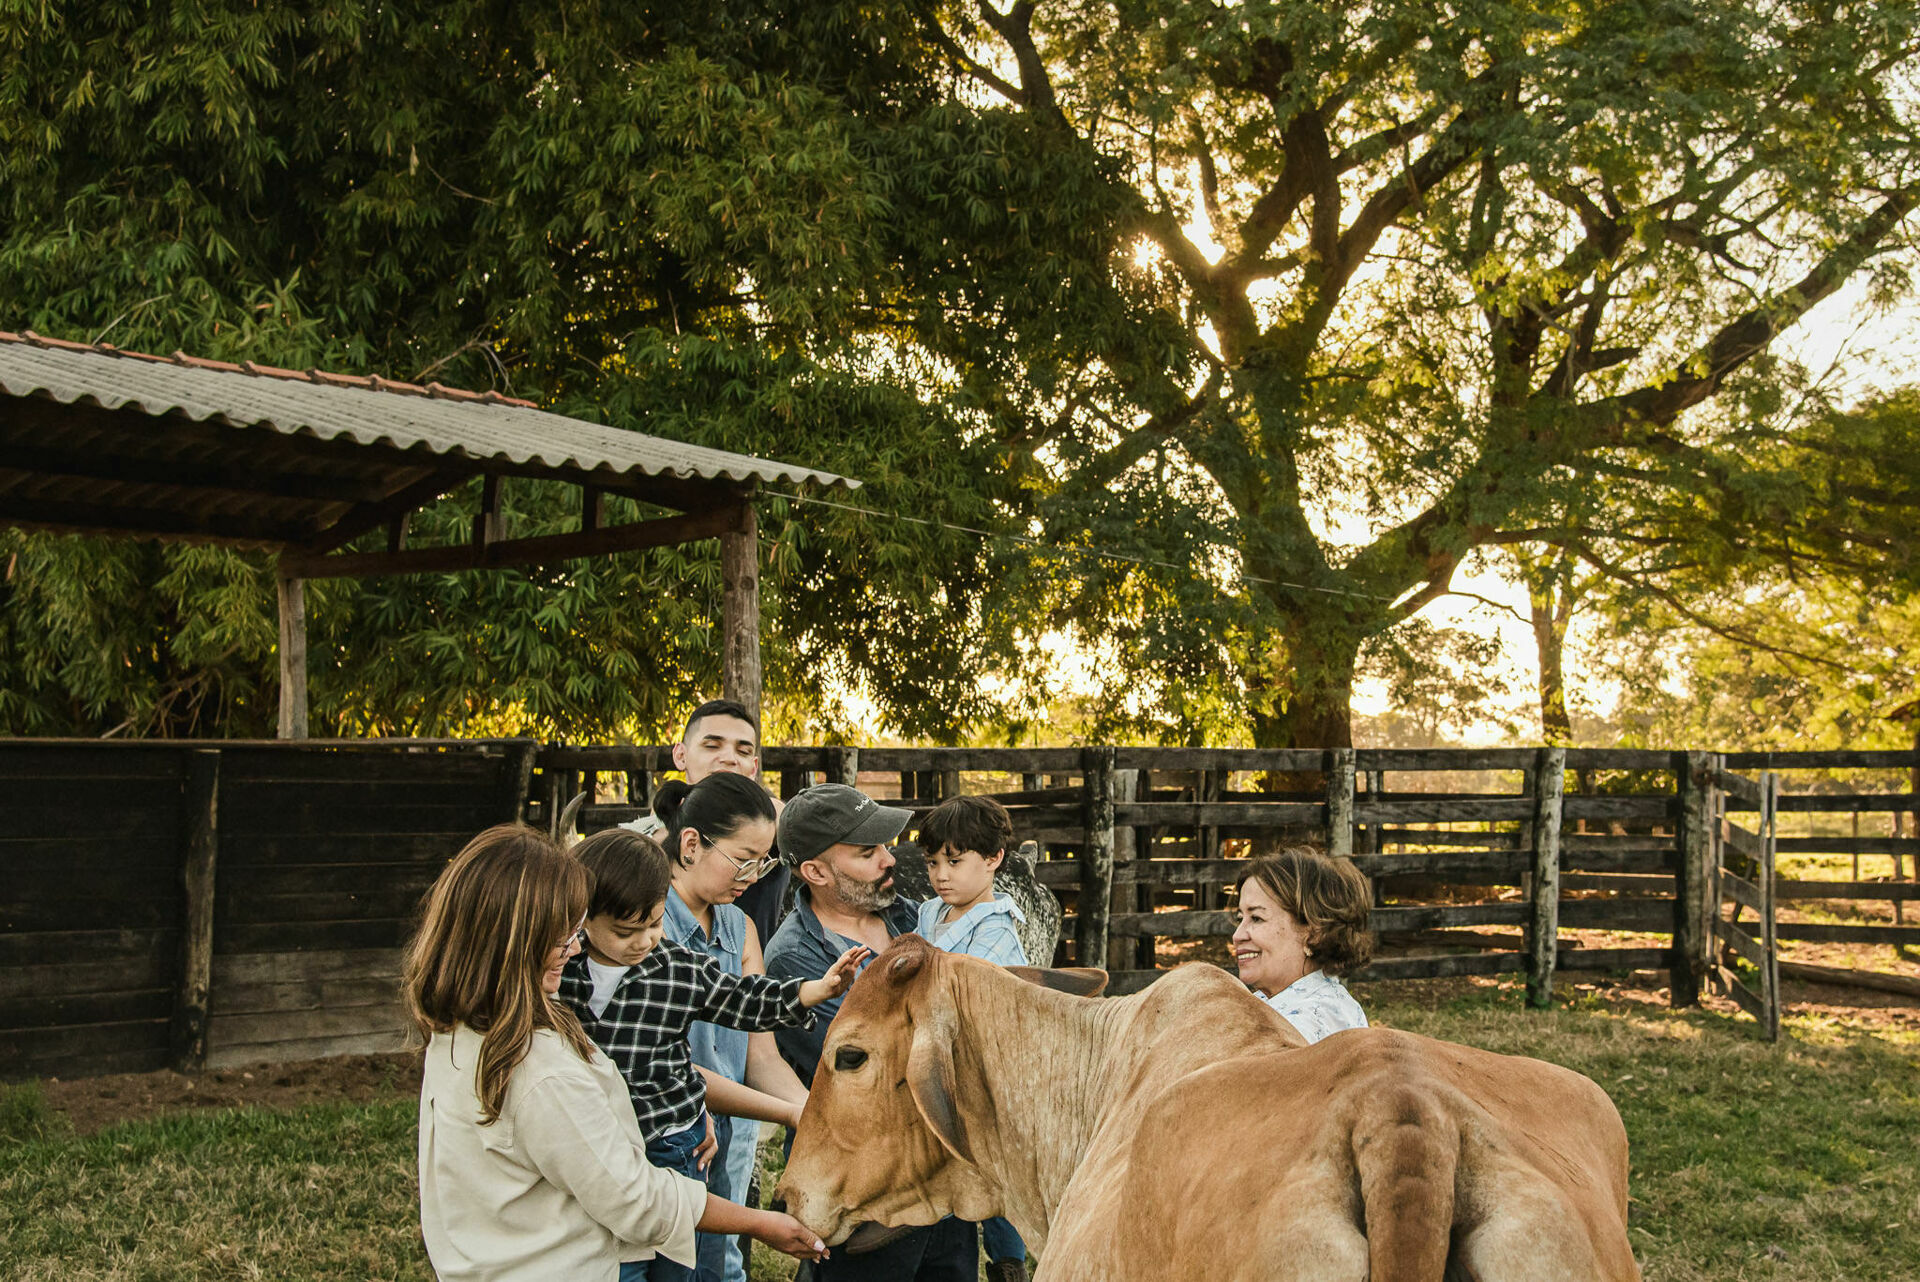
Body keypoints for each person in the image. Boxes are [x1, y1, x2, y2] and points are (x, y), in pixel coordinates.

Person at [404, 823, 828, 1282]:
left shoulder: (460, 1030)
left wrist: (683, 1106)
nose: (572, 950)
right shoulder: (539, 1070)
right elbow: (636, 1201)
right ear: (512, 943)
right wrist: (761, 1223)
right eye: (563, 937)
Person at [556, 820, 868, 1282]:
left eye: (656, 923)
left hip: (668, 1140)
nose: (644, 941)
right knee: (612, 1256)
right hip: (598, 1137)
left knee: (677, 1260)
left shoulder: (677, 969)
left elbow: (740, 999)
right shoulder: (561, 971)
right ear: (583, 918)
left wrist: (811, 992)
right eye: (626, 931)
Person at [764, 784, 979, 1282]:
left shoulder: (915, 917)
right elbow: (875, 1075)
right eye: (867, 852)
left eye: (885, 846)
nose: (889, 860)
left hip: (943, 1185)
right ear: (815, 872)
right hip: (865, 1198)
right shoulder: (795, 961)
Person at [656, 772, 821, 1282]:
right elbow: (675, 1069)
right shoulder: (644, 924)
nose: (752, 875)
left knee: (719, 1266)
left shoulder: (739, 926)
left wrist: (817, 1111)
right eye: (742, 858)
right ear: (690, 843)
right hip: (661, 1128)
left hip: (725, 1131)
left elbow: (761, 1056)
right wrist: (797, 1115)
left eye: (764, 861)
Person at [916, 795, 1031, 1282]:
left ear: (993, 860)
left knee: (995, 1164)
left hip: (988, 1064)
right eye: (933, 862)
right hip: (941, 1054)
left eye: (955, 861)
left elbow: (966, 995)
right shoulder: (928, 914)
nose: (942, 874)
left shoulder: (997, 931)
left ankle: (1009, 1260)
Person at [623, 699, 790, 948]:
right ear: (681, 755)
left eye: (743, 751)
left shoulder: (773, 820)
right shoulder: (643, 834)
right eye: (712, 746)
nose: (729, 758)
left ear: (753, 768)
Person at [1231, 847, 1375, 1043]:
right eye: (1240, 917)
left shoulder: (1308, 1024)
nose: (1237, 935)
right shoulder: (1270, 1004)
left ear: (1314, 933)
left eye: (1257, 918)